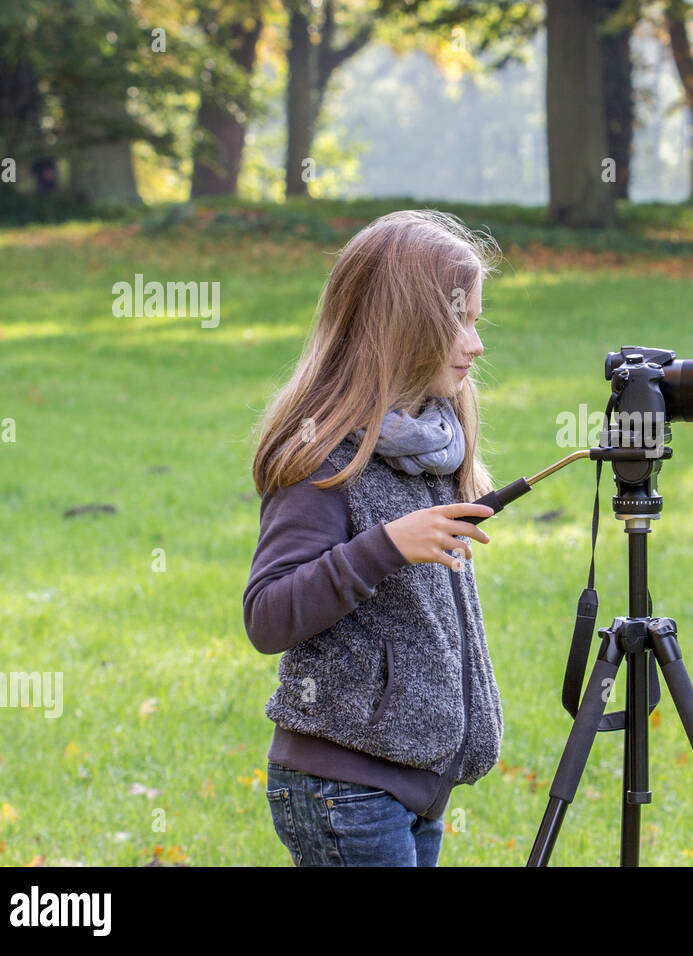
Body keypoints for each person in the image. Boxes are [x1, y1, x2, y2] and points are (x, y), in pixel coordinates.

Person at [242, 209, 504, 866]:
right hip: (344, 788)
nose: (475, 344)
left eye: (477, 321)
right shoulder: (323, 455)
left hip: (413, 787)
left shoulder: (431, 448)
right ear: (405, 326)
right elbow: (268, 615)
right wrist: (384, 547)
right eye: (459, 322)